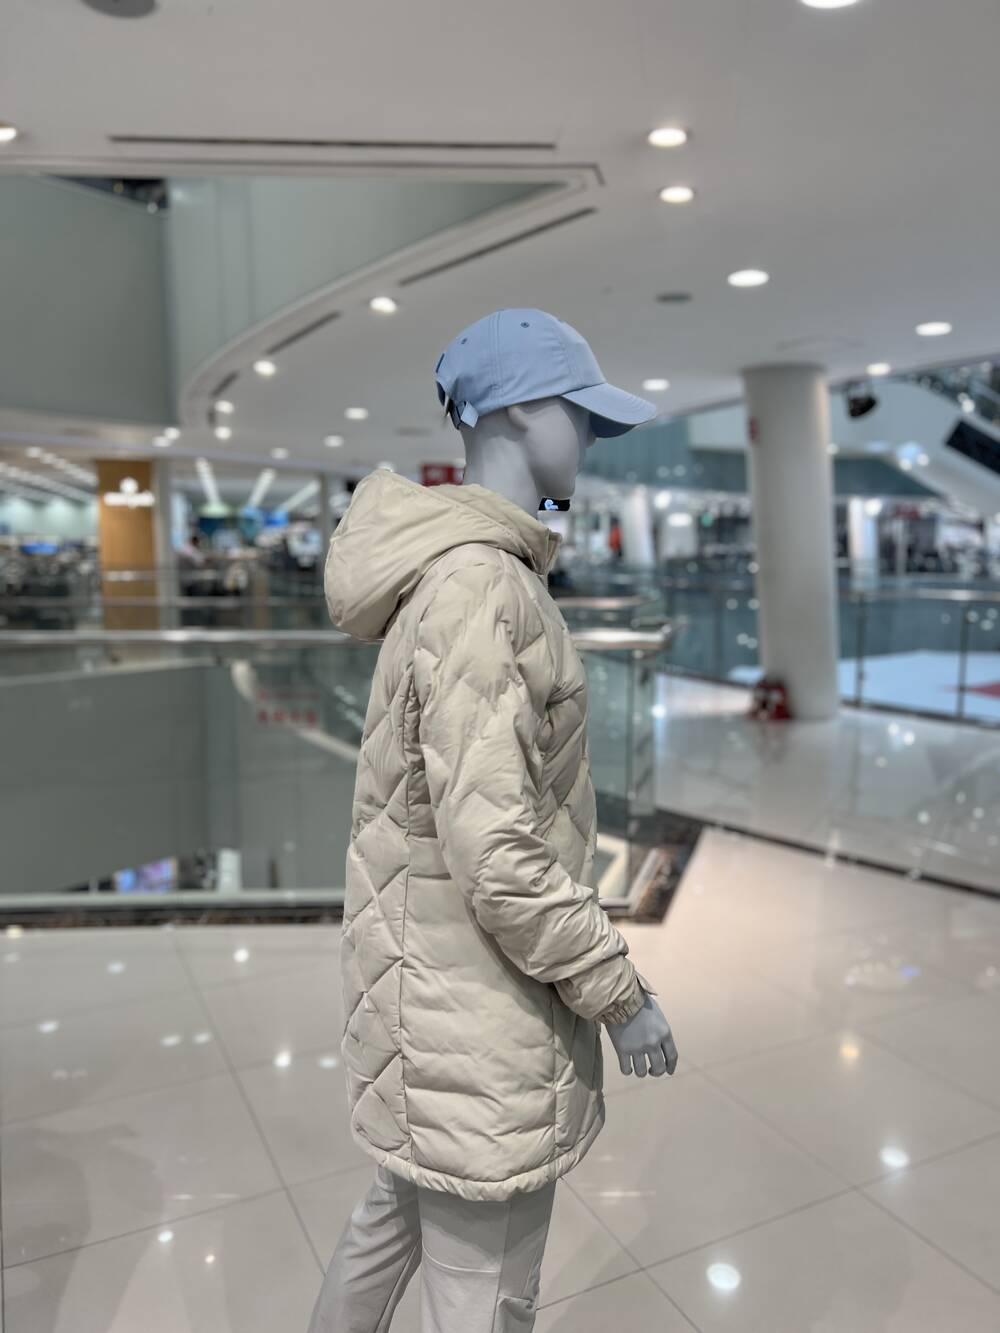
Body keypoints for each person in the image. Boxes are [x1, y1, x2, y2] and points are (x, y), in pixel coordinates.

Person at [311, 310, 678, 1332]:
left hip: (432, 1004)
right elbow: (500, 853)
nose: (592, 437)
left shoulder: (457, 570)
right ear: (517, 408)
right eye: (581, 413)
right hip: (478, 1016)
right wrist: (619, 993)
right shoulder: (481, 585)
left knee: (388, 1228)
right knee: (484, 1296)